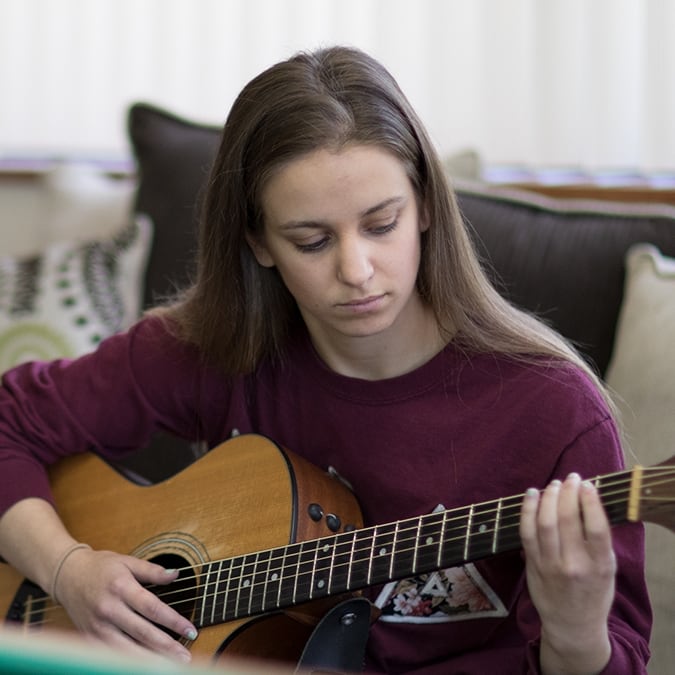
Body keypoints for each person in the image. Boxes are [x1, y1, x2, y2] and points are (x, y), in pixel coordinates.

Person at [0, 46, 651, 674]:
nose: (355, 270)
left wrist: (574, 630)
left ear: (424, 204)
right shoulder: (215, 348)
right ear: (257, 240)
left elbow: (615, 658)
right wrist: (68, 568)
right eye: (310, 239)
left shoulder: (554, 409)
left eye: (380, 223)